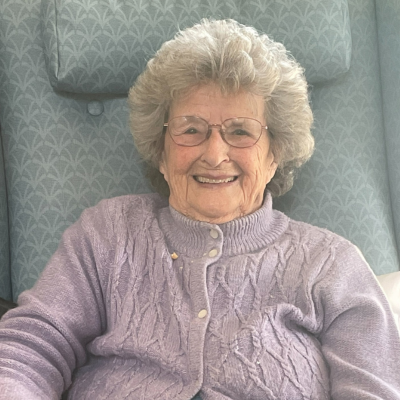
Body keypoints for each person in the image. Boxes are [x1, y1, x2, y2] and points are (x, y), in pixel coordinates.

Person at [0, 18, 399, 400]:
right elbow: (31, 348)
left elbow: (375, 389)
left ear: (275, 153)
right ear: (160, 151)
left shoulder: (332, 264)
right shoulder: (108, 232)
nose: (214, 154)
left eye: (240, 131)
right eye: (191, 130)